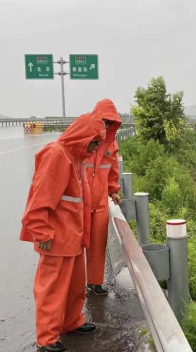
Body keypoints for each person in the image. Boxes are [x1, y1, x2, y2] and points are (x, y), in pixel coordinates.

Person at [19, 112, 105, 352]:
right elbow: (40, 197)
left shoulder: (75, 157)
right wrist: (41, 231)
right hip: (55, 238)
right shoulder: (57, 155)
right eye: (94, 142)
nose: (95, 148)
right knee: (53, 288)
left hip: (73, 236)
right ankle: (46, 337)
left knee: (75, 285)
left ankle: (71, 321)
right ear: (83, 136)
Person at [84, 99, 122, 296]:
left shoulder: (111, 143)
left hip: (99, 202)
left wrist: (113, 190)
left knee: (98, 244)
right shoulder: (85, 137)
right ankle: (72, 287)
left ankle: (95, 282)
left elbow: (112, 169)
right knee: (74, 247)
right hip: (80, 201)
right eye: (104, 121)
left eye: (109, 123)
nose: (106, 126)